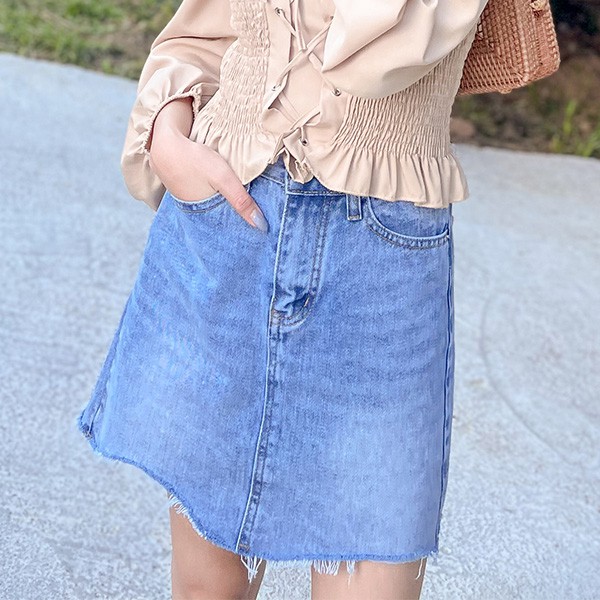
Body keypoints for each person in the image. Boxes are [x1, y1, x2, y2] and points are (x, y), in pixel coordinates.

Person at [77, 0, 490, 598]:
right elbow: (203, 36)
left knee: (371, 572)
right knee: (207, 589)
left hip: (379, 270)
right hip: (229, 222)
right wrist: (168, 131)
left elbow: (372, 54)